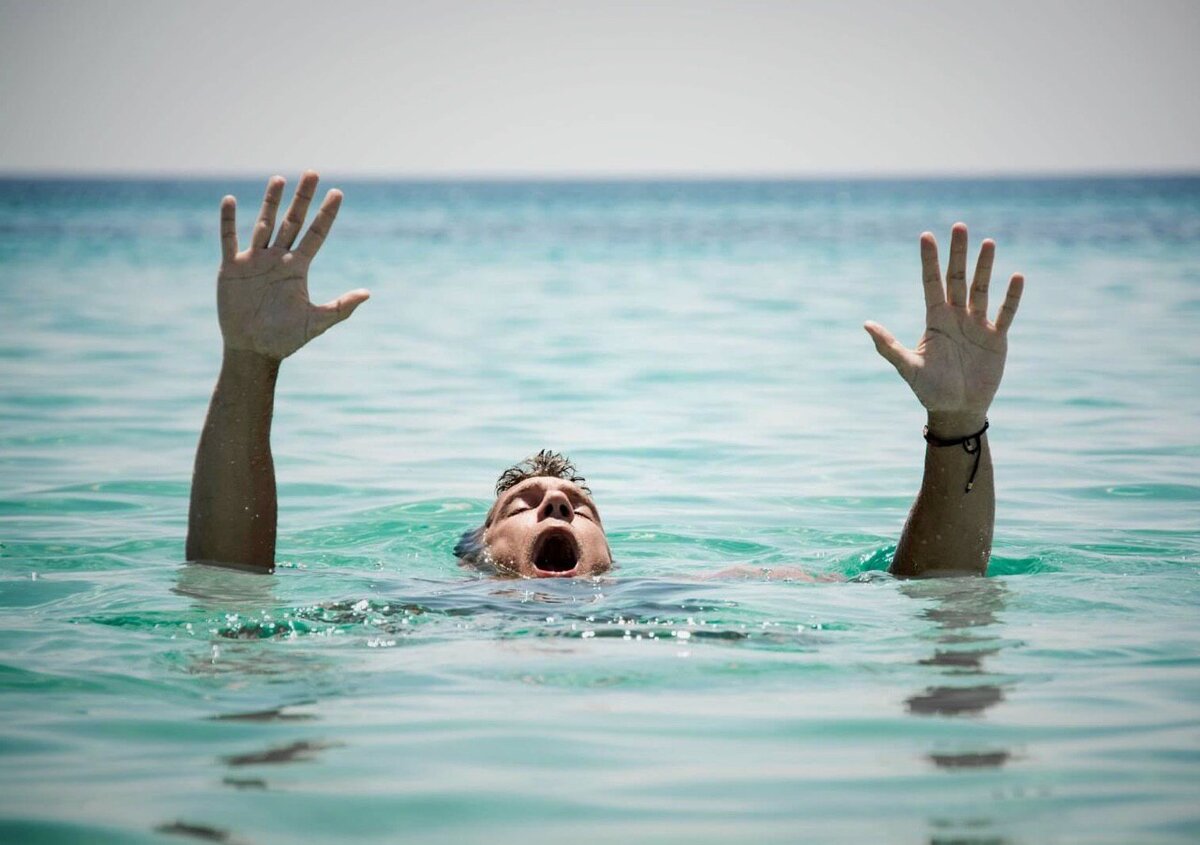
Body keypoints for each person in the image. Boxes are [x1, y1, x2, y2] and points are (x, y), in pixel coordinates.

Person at [187, 172, 1025, 579]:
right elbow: (229, 593)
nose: (556, 504)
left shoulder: (678, 602)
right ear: (477, 554)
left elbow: (938, 594)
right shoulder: (416, 620)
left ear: (610, 556)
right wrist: (250, 364)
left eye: (577, 506)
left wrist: (957, 425)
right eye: (523, 504)